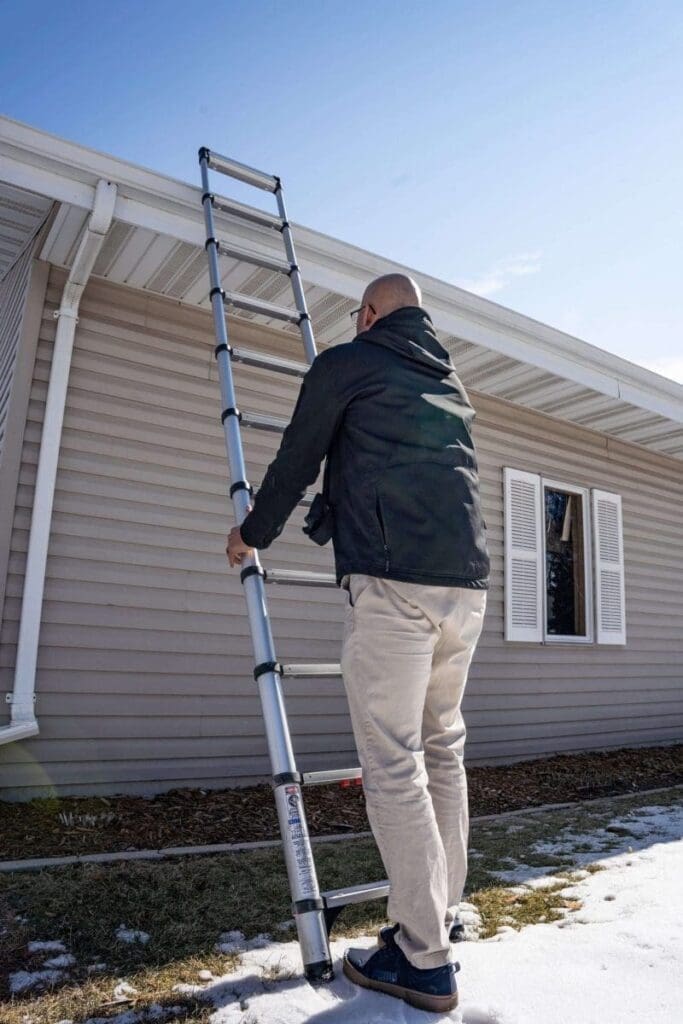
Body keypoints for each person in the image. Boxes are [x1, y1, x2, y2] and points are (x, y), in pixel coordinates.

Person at [227, 273, 489, 1013]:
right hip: (465, 588)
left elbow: (296, 456)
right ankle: (437, 916)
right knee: (441, 748)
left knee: (395, 761)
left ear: (369, 315)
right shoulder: (450, 381)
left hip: (395, 583)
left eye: (358, 314)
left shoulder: (349, 361)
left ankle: (424, 960)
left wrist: (251, 535)